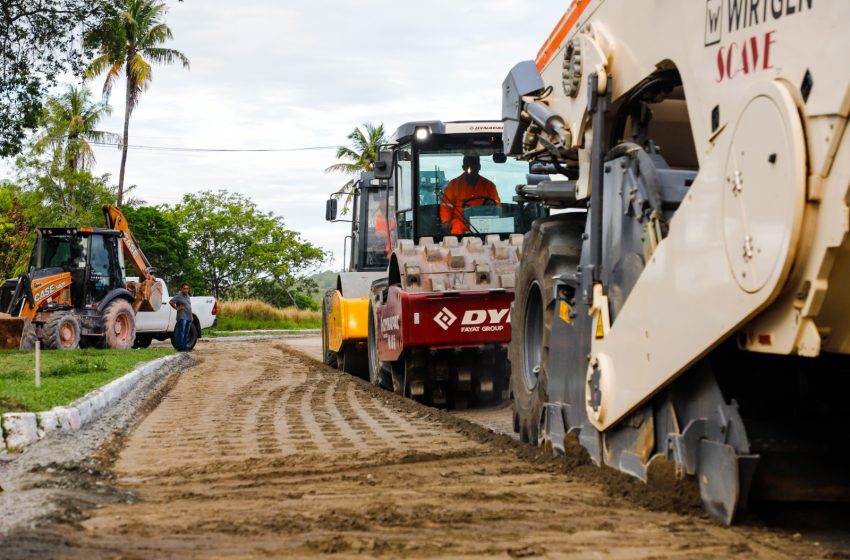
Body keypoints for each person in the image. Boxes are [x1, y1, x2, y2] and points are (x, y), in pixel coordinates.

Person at [439, 155, 500, 235]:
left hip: (484, 223)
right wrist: (446, 221)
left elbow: (497, 206)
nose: (471, 169)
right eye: (469, 166)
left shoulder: (489, 186)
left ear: (479, 167)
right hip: (460, 221)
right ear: (463, 167)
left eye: (475, 166)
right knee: (455, 232)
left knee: (495, 237)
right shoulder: (453, 185)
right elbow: (446, 206)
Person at [169, 282, 193, 351]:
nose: (186, 290)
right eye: (184, 288)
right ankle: (181, 348)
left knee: (186, 333)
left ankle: (185, 347)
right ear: (181, 289)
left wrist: (191, 316)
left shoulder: (188, 296)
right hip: (182, 317)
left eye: (187, 289)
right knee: (181, 333)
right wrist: (177, 308)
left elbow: (189, 306)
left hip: (189, 317)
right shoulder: (179, 295)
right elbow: (171, 302)